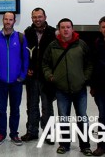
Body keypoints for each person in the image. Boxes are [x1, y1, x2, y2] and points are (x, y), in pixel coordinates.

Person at [42, 18, 93, 155]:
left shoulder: (81, 44)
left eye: (68, 27)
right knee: (63, 118)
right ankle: (64, 145)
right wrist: (50, 76)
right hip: (61, 89)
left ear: (72, 29)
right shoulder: (53, 46)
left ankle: (85, 146)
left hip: (79, 88)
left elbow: (89, 64)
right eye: (63, 27)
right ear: (59, 29)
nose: (65, 29)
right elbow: (45, 64)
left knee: (82, 118)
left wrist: (84, 78)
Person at [0, 12, 29, 146]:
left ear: (14, 21)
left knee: (15, 109)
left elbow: (26, 58)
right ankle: (1, 133)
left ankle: (14, 134)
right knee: (1, 110)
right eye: (6, 19)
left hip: (16, 81)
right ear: (3, 20)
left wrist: (22, 76)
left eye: (11, 19)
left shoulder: (21, 37)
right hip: (1, 81)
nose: (8, 21)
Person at [21, 8, 56, 144]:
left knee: (47, 107)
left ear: (45, 17)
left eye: (40, 16)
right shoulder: (27, 33)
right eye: (34, 17)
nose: (37, 19)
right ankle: (32, 132)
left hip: (47, 77)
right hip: (32, 76)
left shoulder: (53, 32)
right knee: (32, 105)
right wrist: (27, 68)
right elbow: (23, 54)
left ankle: (48, 134)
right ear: (31, 18)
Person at [91, 16, 105, 156]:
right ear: (100, 28)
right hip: (101, 88)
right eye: (103, 27)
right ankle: (101, 146)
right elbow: (93, 65)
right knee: (102, 117)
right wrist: (93, 86)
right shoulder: (97, 43)